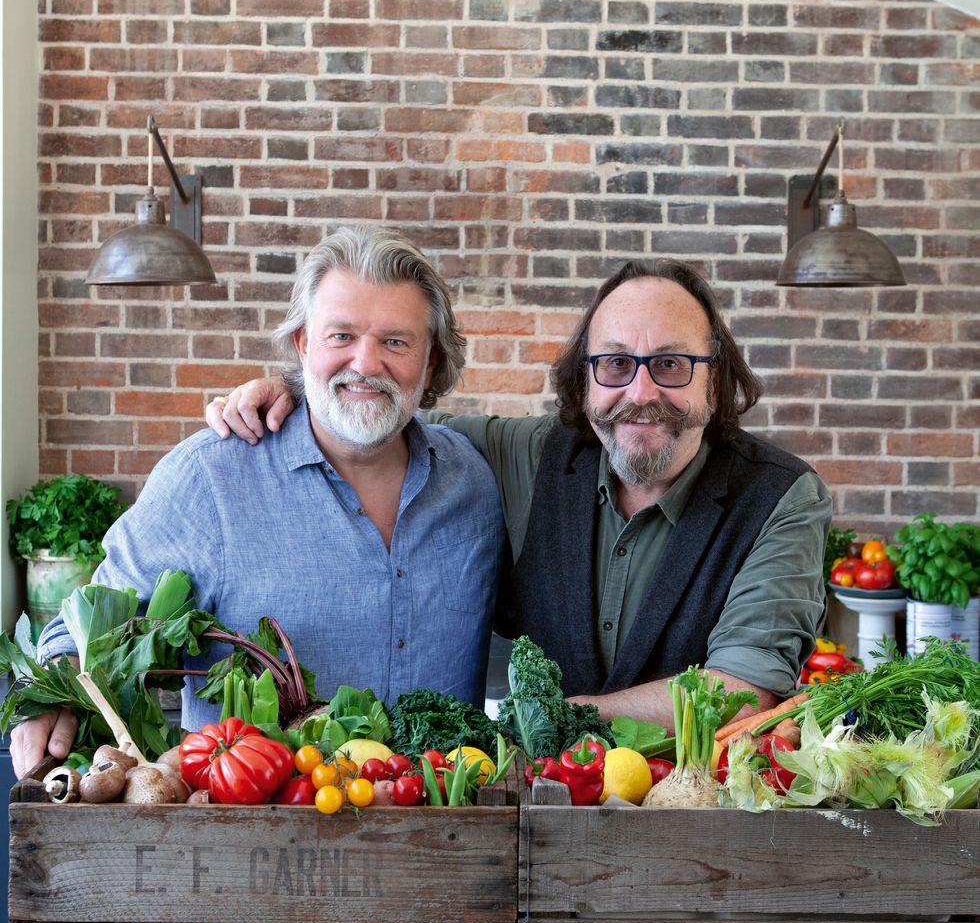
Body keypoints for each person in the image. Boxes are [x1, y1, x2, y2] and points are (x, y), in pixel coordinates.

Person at [205, 257, 832, 731]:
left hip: (699, 826)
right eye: (615, 364)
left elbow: (742, 691)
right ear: (585, 379)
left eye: (671, 365)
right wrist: (297, 391)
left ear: (715, 382)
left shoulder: (781, 498)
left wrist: (552, 720)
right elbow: (381, 416)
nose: (640, 392)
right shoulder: (530, 457)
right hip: (540, 823)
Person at [10, 226, 504, 778]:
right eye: (341, 335)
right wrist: (49, 689)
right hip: (255, 827)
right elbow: (87, 624)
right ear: (304, 345)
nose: (366, 363)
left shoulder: (475, 483)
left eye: (395, 342)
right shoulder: (210, 479)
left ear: (431, 362)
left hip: (448, 824)